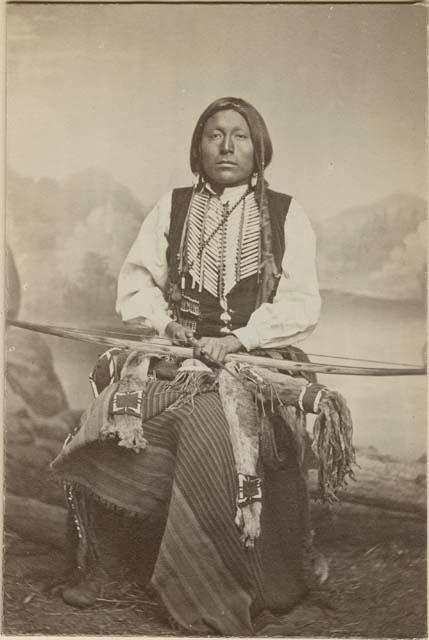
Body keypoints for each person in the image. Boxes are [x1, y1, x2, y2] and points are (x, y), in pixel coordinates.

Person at [52, 97, 321, 636]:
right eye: (214, 134)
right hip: (177, 358)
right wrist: (165, 324)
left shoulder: (287, 213)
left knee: (209, 428)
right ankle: (108, 568)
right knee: (109, 416)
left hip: (254, 363)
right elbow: (135, 284)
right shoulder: (170, 208)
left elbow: (302, 304)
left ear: (259, 147)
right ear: (197, 147)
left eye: (239, 136)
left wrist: (240, 338)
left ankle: (213, 585)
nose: (226, 146)